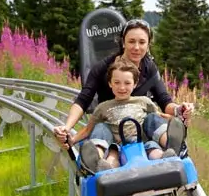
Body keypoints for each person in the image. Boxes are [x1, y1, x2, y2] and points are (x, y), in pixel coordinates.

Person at [52, 19, 194, 171]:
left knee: (152, 119)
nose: (136, 47)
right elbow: (83, 99)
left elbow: (164, 101)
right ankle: (95, 160)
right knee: (101, 129)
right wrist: (67, 129)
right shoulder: (103, 68)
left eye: (142, 42)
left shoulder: (149, 69)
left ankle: (172, 147)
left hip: (138, 129)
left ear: (148, 44)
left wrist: (180, 110)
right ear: (123, 42)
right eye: (131, 41)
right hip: (111, 126)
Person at [65, 59, 179, 170]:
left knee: (152, 130)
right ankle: (97, 161)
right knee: (103, 133)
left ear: (135, 84)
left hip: (142, 144)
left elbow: (157, 119)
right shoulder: (103, 107)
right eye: (117, 83)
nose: (122, 87)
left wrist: (175, 119)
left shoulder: (144, 101)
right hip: (119, 146)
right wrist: (72, 140)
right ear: (110, 83)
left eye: (127, 83)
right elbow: (87, 130)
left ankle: (170, 147)